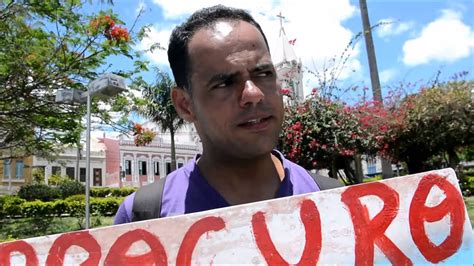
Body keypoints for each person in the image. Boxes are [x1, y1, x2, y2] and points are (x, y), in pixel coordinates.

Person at [114, 5, 341, 224]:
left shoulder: (336, 204)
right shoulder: (144, 217)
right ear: (185, 105)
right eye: (224, 83)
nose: (253, 93)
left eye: (263, 73)